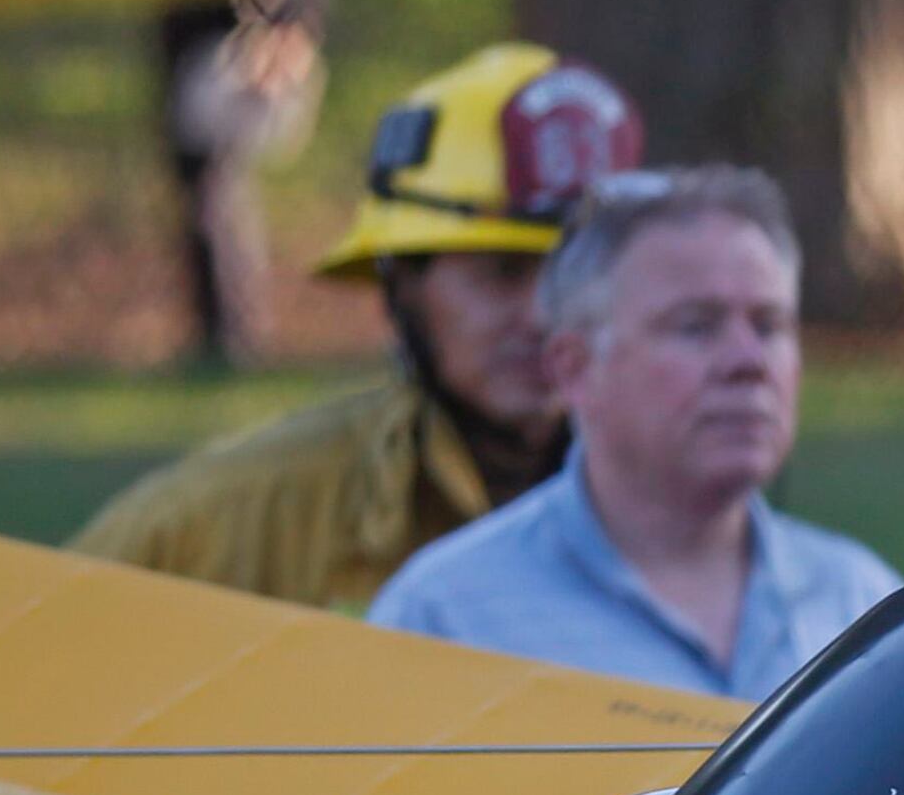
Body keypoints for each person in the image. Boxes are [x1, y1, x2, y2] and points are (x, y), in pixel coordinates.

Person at [70, 43, 637, 610]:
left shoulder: (710, 514)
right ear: (401, 286)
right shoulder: (235, 519)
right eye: (501, 273)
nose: (544, 317)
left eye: (577, 276)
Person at [368, 168, 901, 701]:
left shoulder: (867, 610)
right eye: (696, 325)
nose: (748, 362)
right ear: (575, 369)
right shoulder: (443, 622)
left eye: (768, 326)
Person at [153, 0, 331, 371]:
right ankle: (222, 331)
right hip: (190, 25)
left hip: (254, 27)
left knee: (218, 187)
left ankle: (235, 332)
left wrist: (293, 23)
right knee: (203, 190)